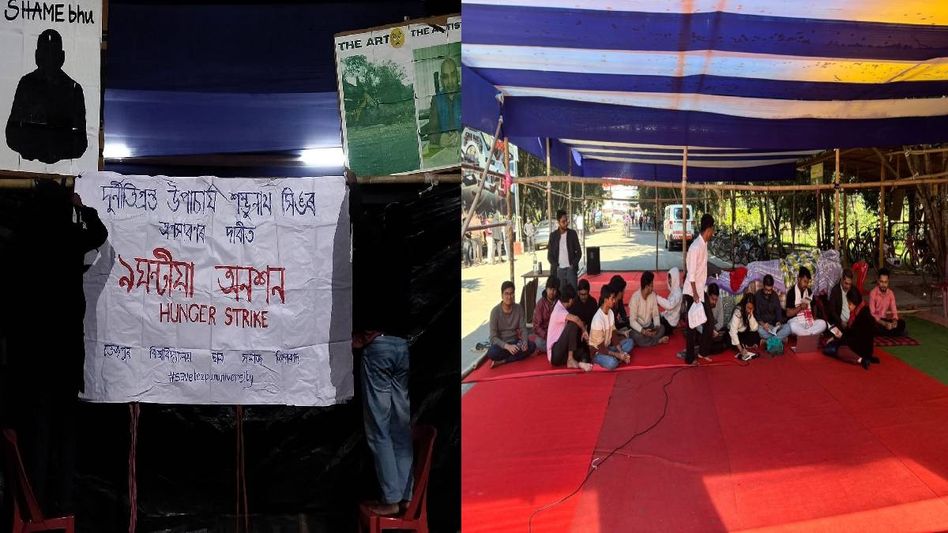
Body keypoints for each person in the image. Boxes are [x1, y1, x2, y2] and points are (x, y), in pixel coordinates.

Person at [6, 181, 107, 515]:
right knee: (65, 436)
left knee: (35, 436)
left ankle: (32, 507)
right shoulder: (70, 238)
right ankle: (62, 506)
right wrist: (82, 209)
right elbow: (100, 235)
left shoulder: (22, 240)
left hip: (31, 359)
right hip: (65, 358)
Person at [351, 196, 414, 517]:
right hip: (401, 346)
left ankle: (390, 498)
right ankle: (405, 496)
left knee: (379, 427)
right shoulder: (404, 256)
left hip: (379, 346)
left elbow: (363, 228)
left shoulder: (376, 251)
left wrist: (354, 191)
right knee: (400, 426)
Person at [6, 30, 88, 164]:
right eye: (45, 53)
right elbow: (12, 133)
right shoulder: (26, 84)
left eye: (53, 54)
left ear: (61, 57)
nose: (49, 59)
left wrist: (53, 149)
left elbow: (80, 143)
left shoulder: (73, 89)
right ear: (37, 55)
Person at [681, 213, 715, 364]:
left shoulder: (704, 244)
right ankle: (689, 358)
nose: (713, 233)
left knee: (709, 322)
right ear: (709, 229)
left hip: (701, 290)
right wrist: (695, 293)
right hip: (692, 291)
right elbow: (691, 273)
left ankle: (702, 352)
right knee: (692, 325)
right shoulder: (695, 247)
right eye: (713, 230)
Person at [822, 290, 879, 370]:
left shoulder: (864, 315)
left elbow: (857, 340)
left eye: (850, 304)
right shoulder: (858, 311)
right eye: (848, 303)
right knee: (829, 347)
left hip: (861, 348)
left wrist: (841, 337)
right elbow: (850, 332)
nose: (848, 306)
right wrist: (835, 337)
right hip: (855, 344)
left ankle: (861, 360)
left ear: (855, 302)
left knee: (838, 350)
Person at [487, 281, 536, 367]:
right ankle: (514, 356)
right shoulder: (495, 312)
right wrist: (507, 346)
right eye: (506, 294)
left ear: (514, 294)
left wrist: (524, 342)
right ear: (502, 295)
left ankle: (504, 361)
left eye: (511, 293)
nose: (509, 297)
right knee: (492, 353)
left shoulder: (519, 308)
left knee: (532, 346)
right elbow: (493, 337)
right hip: (502, 344)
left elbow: (523, 329)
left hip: (515, 342)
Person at [547, 285, 593, 371]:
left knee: (583, 352)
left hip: (562, 352)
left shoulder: (562, 308)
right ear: (571, 300)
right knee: (573, 324)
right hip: (555, 354)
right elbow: (576, 319)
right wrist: (584, 330)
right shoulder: (558, 310)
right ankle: (570, 359)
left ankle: (580, 363)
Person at [588, 285, 634, 370]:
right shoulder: (598, 319)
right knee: (612, 363)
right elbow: (601, 348)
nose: (614, 301)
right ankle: (614, 359)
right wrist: (618, 355)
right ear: (606, 300)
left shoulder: (611, 313)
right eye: (612, 298)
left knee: (630, 342)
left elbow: (613, 335)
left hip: (607, 347)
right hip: (598, 352)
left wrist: (621, 352)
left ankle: (617, 357)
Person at [426, 57, 461, 149]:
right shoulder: (436, 100)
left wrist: (463, 136)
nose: (450, 81)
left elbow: (478, 126)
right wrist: (439, 138)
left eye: (453, 75)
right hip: (445, 151)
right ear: (441, 80)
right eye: (446, 77)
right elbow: (431, 132)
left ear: (458, 75)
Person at [627, 271, 669, 347]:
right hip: (639, 329)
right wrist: (644, 331)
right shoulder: (635, 298)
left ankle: (647, 341)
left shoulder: (653, 295)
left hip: (650, 327)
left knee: (662, 328)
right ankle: (658, 341)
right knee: (635, 335)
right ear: (647, 286)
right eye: (652, 285)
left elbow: (655, 315)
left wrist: (656, 328)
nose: (653, 288)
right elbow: (632, 321)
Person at [785, 266, 827, 337]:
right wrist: (800, 307)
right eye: (804, 281)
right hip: (796, 321)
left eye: (807, 282)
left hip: (808, 321)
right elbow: (788, 314)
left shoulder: (809, 291)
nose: (806, 285)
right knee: (792, 326)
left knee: (823, 323)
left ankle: (805, 334)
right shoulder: (791, 292)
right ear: (799, 279)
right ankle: (810, 335)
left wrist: (814, 317)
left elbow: (814, 305)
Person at [547, 209, 581, 290]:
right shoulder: (553, 236)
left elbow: (579, 252)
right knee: (560, 294)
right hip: (559, 271)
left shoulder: (572, 234)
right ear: (558, 222)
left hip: (571, 270)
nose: (566, 223)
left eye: (566, 221)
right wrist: (556, 266)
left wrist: (573, 265)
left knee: (573, 293)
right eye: (563, 221)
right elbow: (549, 256)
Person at [869, 268, 907, 337]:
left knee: (902, 323)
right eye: (881, 282)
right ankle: (895, 333)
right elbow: (872, 314)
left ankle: (890, 332)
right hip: (876, 321)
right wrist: (884, 323)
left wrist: (894, 321)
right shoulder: (873, 293)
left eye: (885, 282)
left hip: (885, 320)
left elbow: (894, 311)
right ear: (878, 281)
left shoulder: (890, 293)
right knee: (872, 325)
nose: (883, 285)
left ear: (888, 282)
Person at [755, 274, 792, 342]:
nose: (768, 292)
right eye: (766, 290)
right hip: (765, 327)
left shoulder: (775, 295)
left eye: (770, 290)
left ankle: (767, 341)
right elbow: (757, 315)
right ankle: (780, 338)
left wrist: (778, 322)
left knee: (788, 328)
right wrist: (763, 324)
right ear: (763, 285)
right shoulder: (758, 295)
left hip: (774, 326)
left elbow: (778, 311)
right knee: (759, 330)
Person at [825, 268, 856, 336]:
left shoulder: (853, 289)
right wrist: (841, 322)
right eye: (846, 283)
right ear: (841, 279)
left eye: (850, 284)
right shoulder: (835, 291)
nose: (848, 286)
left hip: (851, 322)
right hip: (839, 323)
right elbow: (832, 311)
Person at [730, 296, 761, 361]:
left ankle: (745, 345)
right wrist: (740, 349)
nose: (749, 310)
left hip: (744, 332)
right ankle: (744, 345)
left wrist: (751, 314)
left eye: (751, 308)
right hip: (736, 334)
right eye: (748, 307)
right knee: (734, 343)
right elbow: (733, 331)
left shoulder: (750, 311)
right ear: (744, 305)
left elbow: (754, 328)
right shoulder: (738, 311)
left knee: (756, 335)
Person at [532, 275, 559, 353]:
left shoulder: (560, 302)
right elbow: (536, 326)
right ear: (546, 289)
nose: (552, 292)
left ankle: (555, 348)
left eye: (554, 290)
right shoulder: (540, 304)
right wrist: (547, 336)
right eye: (550, 289)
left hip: (557, 333)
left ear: (557, 290)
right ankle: (556, 349)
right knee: (538, 343)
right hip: (545, 335)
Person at [656, 267, 682, 336]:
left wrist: (657, 297)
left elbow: (669, 306)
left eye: (671, 278)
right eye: (669, 278)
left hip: (670, 323)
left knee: (653, 325)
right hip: (667, 318)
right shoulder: (674, 291)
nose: (669, 280)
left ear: (675, 278)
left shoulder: (677, 293)